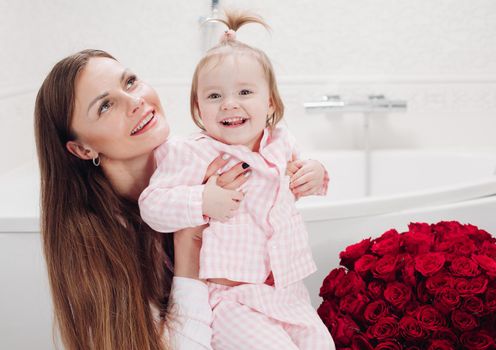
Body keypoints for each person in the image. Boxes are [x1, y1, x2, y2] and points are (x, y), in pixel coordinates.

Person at [139, 11, 336, 350]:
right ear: (198, 108)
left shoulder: (281, 143)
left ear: (269, 101)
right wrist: (202, 200)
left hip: (286, 292)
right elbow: (151, 205)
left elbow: (300, 183)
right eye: (214, 96)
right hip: (231, 299)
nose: (229, 104)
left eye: (245, 92)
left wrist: (315, 174)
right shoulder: (192, 152)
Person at [34, 49, 252, 350]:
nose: (135, 101)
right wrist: (190, 233)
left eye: (131, 82)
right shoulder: (97, 241)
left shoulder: (202, 159)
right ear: (83, 150)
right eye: (106, 105)